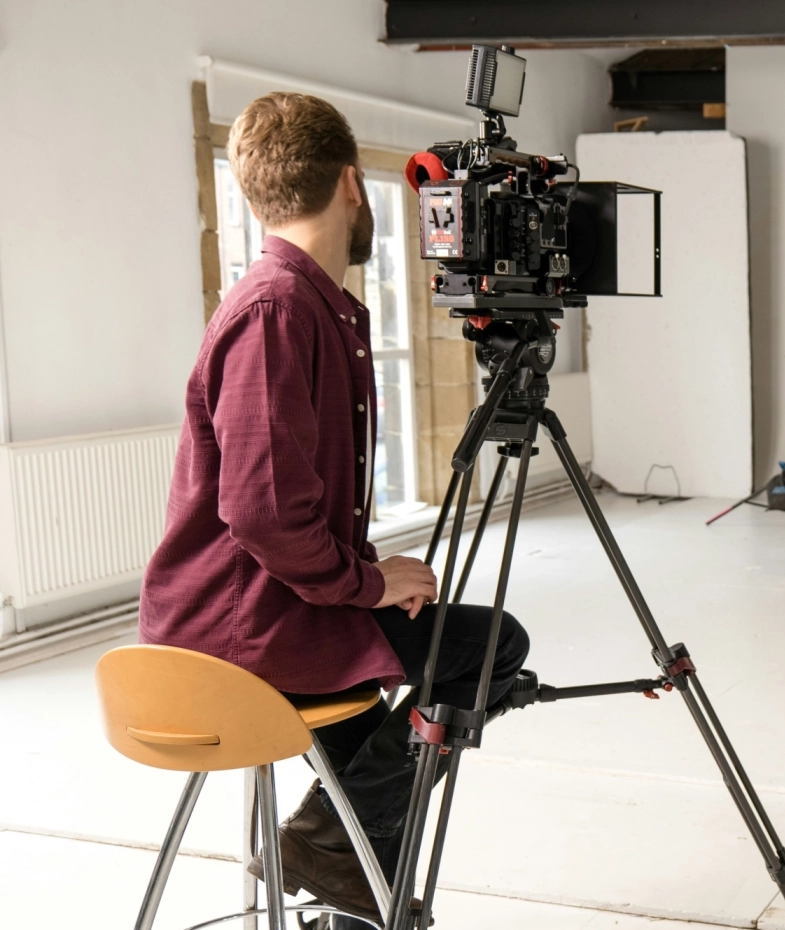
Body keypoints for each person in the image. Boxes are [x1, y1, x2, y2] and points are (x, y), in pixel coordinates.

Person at [138, 92, 530, 926]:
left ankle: (339, 863)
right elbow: (265, 515)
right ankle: (325, 844)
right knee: (493, 647)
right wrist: (370, 585)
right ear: (353, 185)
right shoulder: (280, 310)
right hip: (240, 634)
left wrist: (367, 583)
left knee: (376, 780)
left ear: (252, 194)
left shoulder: (303, 304)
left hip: (273, 613)